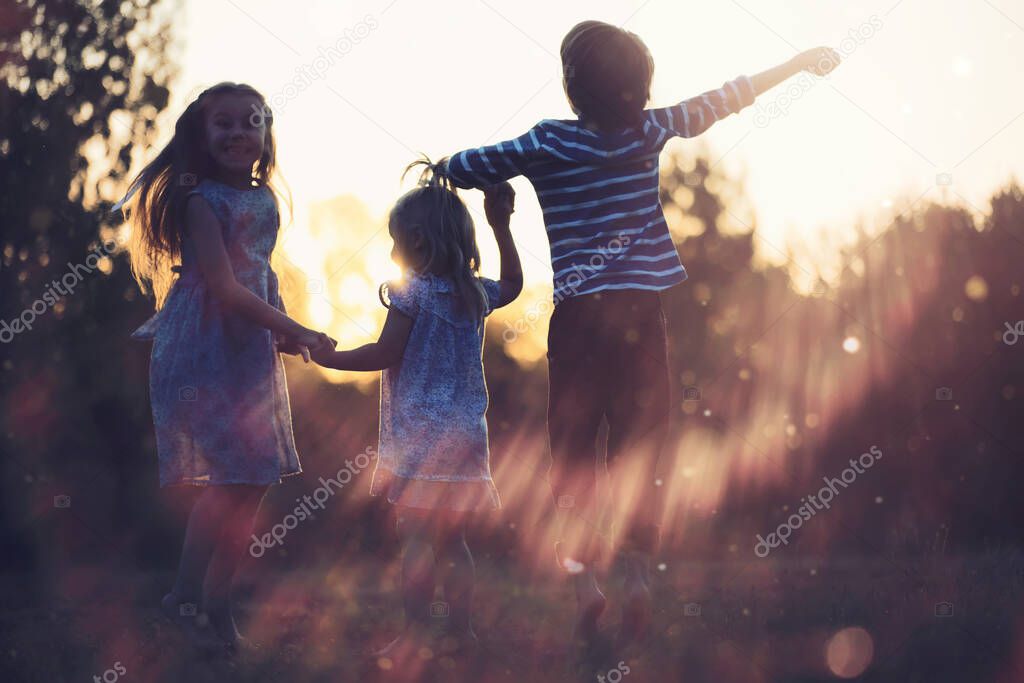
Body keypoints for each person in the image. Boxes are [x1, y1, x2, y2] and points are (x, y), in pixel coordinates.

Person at [443, 19, 841, 650]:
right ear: (640, 87)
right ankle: (632, 575)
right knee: (641, 446)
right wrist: (795, 63)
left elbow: (464, 166)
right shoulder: (649, 130)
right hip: (639, 317)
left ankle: (584, 586)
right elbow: (725, 97)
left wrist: (462, 174)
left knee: (572, 450)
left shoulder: (547, 142)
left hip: (578, 321)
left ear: (572, 88)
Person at [120, 82, 333, 654]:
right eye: (225, 123)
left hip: (249, 347)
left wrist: (286, 328)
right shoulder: (199, 199)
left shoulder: (266, 199)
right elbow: (223, 286)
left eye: (252, 121)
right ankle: (183, 599)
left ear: (266, 135)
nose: (239, 132)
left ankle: (218, 601)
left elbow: (262, 273)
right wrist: (290, 328)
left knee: (256, 478)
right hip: (204, 347)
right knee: (226, 480)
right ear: (202, 133)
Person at [311, 160, 522, 656]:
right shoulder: (473, 295)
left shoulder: (411, 294)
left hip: (420, 441)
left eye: (395, 240)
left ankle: (417, 633)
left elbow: (385, 354)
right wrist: (502, 227)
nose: (390, 251)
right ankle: (462, 632)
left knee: (418, 544)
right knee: (456, 546)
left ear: (419, 244)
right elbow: (512, 285)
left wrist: (330, 357)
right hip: (467, 441)